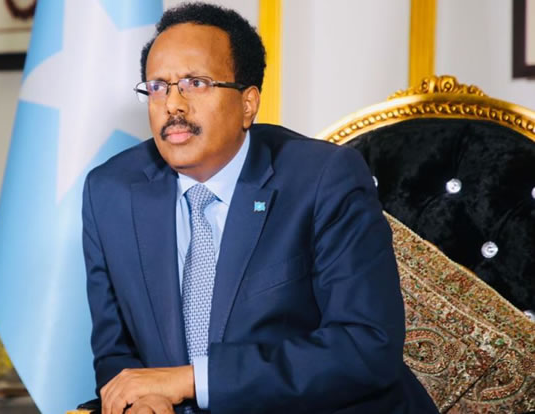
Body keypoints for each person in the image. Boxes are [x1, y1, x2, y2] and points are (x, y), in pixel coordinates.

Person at [82, 3, 438, 414]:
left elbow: (365, 344)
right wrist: (140, 401)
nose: (173, 105)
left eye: (195, 83)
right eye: (158, 86)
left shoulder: (322, 179)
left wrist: (194, 380)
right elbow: (115, 351)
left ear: (248, 104)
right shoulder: (111, 192)